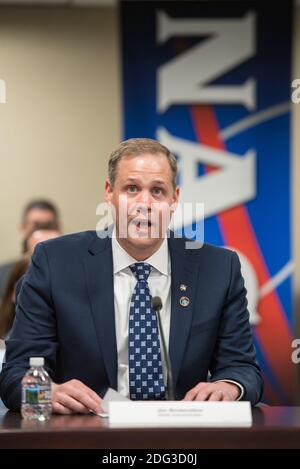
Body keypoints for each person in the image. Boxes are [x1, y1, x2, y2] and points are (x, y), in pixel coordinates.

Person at [0, 138, 263, 413]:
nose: (144, 203)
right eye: (132, 188)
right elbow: (15, 374)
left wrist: (230, 386)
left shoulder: (218, 269)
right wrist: (44, 392)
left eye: (158, 191)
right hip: (87, 433)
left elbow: (244, 370)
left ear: (175, 199)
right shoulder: (55, 263)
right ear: (109, 192)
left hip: (182, 432)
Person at [0, 199, 61, 300]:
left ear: (58, 229)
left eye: (49, 226)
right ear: (23, 228)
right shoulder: (4, 274)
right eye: (36, 226)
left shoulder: (74, 270)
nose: (42, 232)